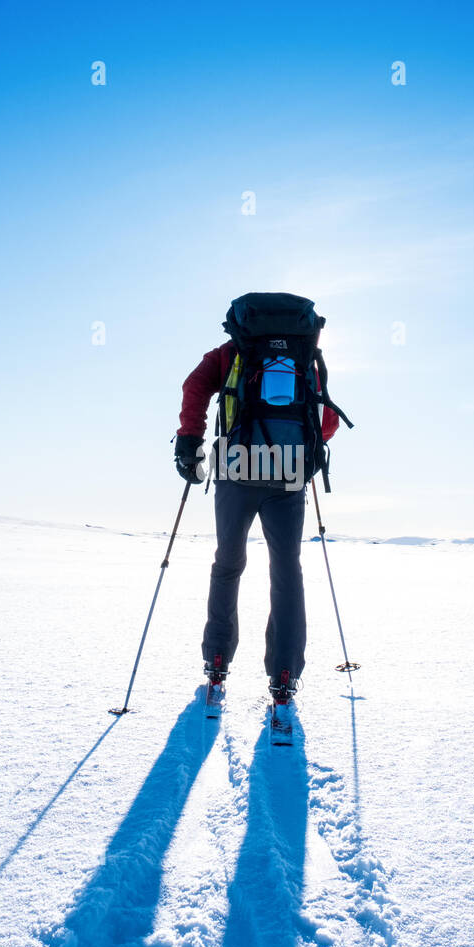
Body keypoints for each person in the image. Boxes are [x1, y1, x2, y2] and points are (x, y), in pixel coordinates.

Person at [172, 293, 343, 708]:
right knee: (286, 570)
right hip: (289, 473)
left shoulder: (233, 352)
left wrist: (190, 439)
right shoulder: (305, 355)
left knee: (227, 564)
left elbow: (195, 386)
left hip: (236, 467)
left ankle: (216, 659)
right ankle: (284, 674)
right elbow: (328, 419)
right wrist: (306, 450)